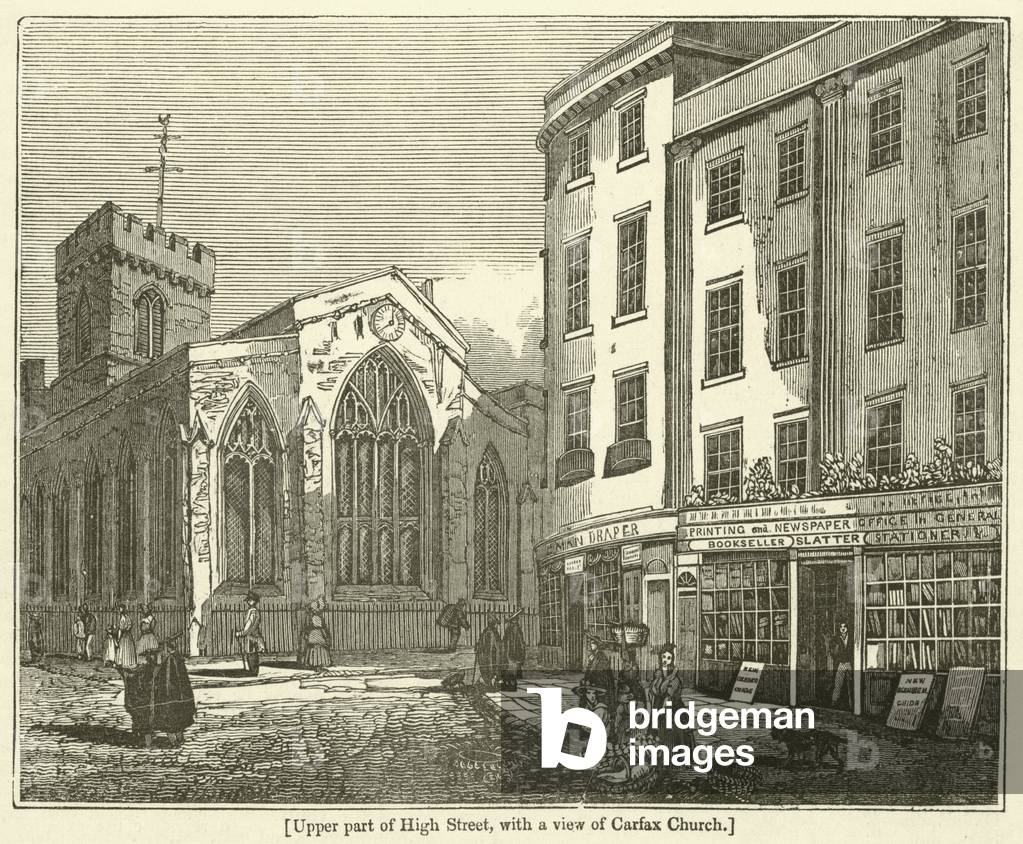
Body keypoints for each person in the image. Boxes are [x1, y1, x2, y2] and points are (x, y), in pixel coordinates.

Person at [120, 633, 196, 749]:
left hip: (166, 696)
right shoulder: (172, 659)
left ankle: (157, 738)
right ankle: (174, 737)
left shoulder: (170, 661)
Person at [647, 643, 694, 749]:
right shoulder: (659, 675)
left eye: (669, 658)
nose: (665, 660)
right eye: (664, 657)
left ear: (672, 660)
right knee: (656, 732)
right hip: (659, 705)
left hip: (673, 707)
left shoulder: (674, 678)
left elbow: (669, 695)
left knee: (672, 734)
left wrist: (662, 709)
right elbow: (654, 691)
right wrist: (658, 680)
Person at [235, 591, 265, 676]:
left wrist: (241, 633)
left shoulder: (253, 611)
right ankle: (251, 670)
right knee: (249, 653)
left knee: (251, 653)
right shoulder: (252, 611)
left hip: (252, 635)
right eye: (248, 600)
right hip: (251, 635)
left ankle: (253, 671)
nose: (248, 602)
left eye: (250, 600)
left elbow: (249, 624)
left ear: (254, 601)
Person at [580, 634, 611, 706]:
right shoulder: (594, 655)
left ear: (597, 645)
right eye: (590, 643)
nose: (591, 645)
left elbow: (598, 671)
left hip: (600, 681)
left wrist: (590, 680)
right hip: (595, 680)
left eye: (593, 643)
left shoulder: (601, 656)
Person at [474, 614, 504, 690]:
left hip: (487, 657)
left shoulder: (486, 631)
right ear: (493, 623)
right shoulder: (491, 633)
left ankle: (489, 682)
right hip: (490, 658)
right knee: (490, 670)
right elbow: (493, 648)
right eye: (496, 623)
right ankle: (490, 682)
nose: (497, 625)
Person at [831, 620, 854, 710]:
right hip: (841, 663)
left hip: (849, 663)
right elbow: (833, 651)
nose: (843, 628)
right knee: (838, 683)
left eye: (844, 626)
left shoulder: (851, 638)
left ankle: (851, 704)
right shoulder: (836, 638)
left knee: (850, 684)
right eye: (841, 627)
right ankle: (834, 702)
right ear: (839, 628)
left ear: (847, 628)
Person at [502, 609, 527, 690]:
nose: (516, 621)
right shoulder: (514, 629)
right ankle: (514, 682)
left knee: (514, 667)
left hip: (513, 652)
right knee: (514, 667)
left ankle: (513, 682)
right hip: (513, 651)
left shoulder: (511, 628)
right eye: (515, 620)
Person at [115, 603, 138, 669]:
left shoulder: (122, 618)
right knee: (128, 648)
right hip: (128, 635)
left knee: (123, 648)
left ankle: (124, 663)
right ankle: (130, 662)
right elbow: (130, 626)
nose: (119, 610)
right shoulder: (128, 617)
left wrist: (118, 639)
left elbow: (121, 629)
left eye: (120, 609)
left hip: (124, 635)